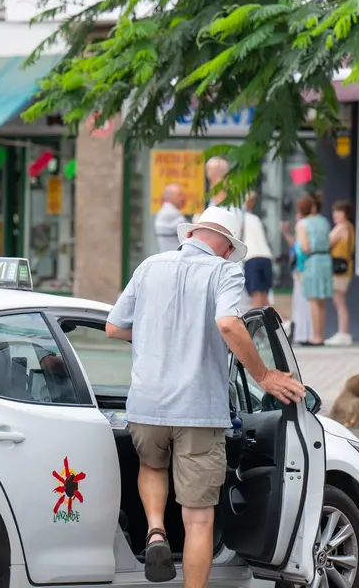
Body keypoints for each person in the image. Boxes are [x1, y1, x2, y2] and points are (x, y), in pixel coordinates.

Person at [105, 206, 306, 586]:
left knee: (151, 466)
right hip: (198, 409)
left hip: (146, 404)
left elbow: (114, 326)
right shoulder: (224, 270)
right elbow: (229, 323)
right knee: (198, 516)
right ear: (228, 248)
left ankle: (155, 531)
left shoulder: (149, 266)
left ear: (191, 235)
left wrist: (155, 336)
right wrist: (263, 375)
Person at [296, 193, 333, 346]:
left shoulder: (302, 224)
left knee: (313, 300)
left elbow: (304, 246)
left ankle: (315, 336)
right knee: (322, 300)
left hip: (312, 261)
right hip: (326, 259)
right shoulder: (324, 221)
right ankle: (321, 335)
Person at [326, 200, 357, 345]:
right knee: (339, 299)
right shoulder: (350, 227)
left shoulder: (342, 227)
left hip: (339, 267)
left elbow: (327, 242)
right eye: (334, 212)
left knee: (339, 299)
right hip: (345, 266)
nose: (335, 215)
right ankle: (342, 332)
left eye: (339, 212)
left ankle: (343, 332)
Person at [240, 193, 275, 309]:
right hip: (266, 257)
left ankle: (258, 327)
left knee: (256, 300)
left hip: (252, 258)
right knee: (264, 298)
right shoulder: (256, 219)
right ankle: (282, 323)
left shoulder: (238, 218)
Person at [153, 183, 188, 252]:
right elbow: (189, 233)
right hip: (175, 258)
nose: (183, 198)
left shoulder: (164, 211)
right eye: (179, 195)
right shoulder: (171, 213)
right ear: (170, 198)